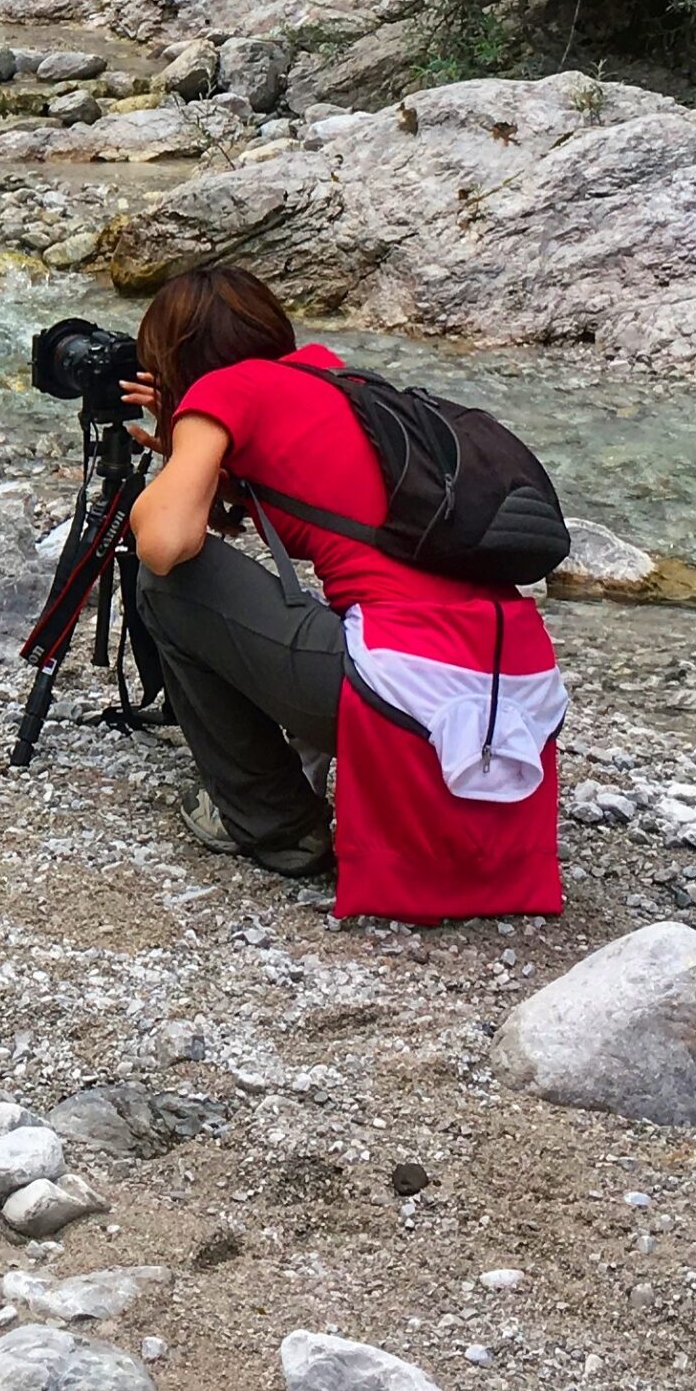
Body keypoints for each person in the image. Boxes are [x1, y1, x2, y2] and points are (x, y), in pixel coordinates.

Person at [123, 266, 567, 922]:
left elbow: (165, 543)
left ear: (175, 361)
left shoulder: (224, 391)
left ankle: (275, 823)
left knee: (167, 583)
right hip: (515, 690)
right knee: (343, 605)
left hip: (407, 693)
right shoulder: (335, 378)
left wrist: (179, 444)